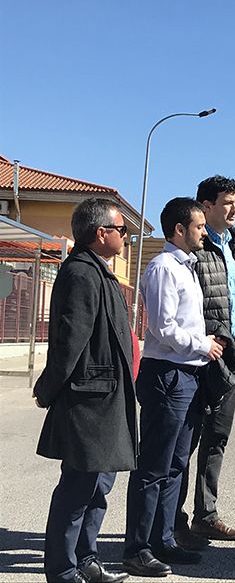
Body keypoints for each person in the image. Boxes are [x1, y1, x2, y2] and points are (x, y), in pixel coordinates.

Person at [34, 198, 135, 583]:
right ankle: (62, 570)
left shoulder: (99, 271)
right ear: (101, 233)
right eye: (121, 230)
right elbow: (69, 341)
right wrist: (48, 388)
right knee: (76, 490)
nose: (125, 237)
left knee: (98, 487)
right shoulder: (80, 273)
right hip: (89, 402)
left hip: (107, 400)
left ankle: (86, 559)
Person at [123, 198, 224, 577]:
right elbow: (163, 328)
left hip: (188, 375)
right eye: (198, 226)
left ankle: (163, 539)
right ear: (179, 229)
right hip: (167, 374)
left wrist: (204, 342)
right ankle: (137, 547)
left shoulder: (187, 267)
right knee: (153, 466)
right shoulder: (164, 267)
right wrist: (203, 345)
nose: (203, 232)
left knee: (176, 464)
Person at [173, 175, 235, 549]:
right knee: (185, 440)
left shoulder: (231, 244)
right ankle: (171, 521)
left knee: (217, 438)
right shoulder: (195, 244)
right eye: (227, 202)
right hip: (201, 352)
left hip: (230, 352)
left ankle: (205, 517)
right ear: (205, 207)